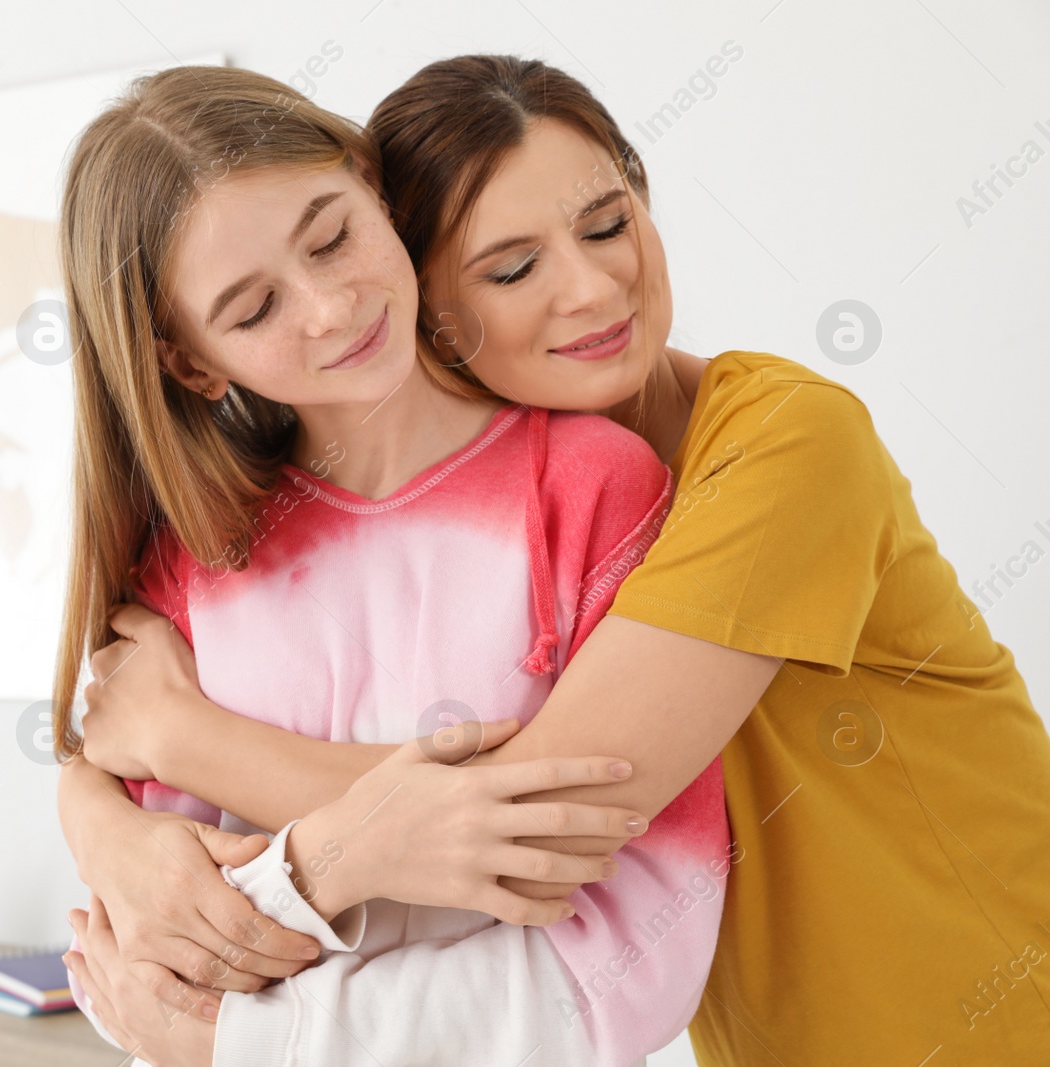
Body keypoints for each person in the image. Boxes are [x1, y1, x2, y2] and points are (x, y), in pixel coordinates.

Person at [70, 54, 1050, 1065]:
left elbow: (535, 810)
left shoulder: (789, 444)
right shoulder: (498, 494)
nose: (593, 288)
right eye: (511, 267)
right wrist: (98, 817)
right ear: (425, 288)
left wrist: (178, 734)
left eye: (605, 223)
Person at [52, 62, 732, 1066]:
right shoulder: (191, 559)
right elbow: (150, 960)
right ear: (189, 362)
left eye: (332, 236)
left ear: (372, 185)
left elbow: (640, 946)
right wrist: (117, 844)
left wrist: (256, 1033)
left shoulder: (590, 487)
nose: (330, 307)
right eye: (252, 310)